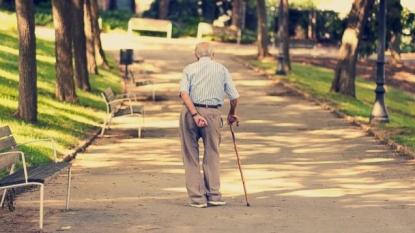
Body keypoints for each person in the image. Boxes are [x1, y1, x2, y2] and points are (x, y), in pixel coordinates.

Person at [178, 42, 240, 208]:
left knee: (190, 155)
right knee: (212, 153)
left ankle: (198, 198)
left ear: (196, 55)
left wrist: (195, 114)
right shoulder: (221, 69)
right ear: (213, 55)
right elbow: (234, 97)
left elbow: (184, 93)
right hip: (212, 114)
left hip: (189, 114)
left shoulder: (189, 69)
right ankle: (213, 195)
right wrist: (232, 112)